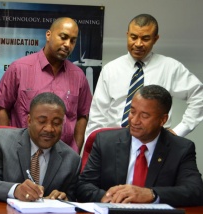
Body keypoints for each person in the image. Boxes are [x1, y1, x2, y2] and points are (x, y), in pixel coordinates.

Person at [76, 85, 203, 207]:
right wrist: (109, 197)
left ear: (163, 120)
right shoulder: (105, 142)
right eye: (132, 112)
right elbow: (83, 185)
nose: (134, 120)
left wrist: (151, 194)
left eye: (144, 116)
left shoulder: (181, 149)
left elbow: (195, 191)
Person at [84, 13, 203, 144]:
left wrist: (180, 130)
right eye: (133, 37)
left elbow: (199, 96)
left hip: (156, 145)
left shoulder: (170, 68)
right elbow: (97, 115)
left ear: (155, 39)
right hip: (114, 144)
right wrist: (92, 148)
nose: (138, 44)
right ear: (127, 35)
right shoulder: (110, 69)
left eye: (145, 38)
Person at [0, 17, 92, 153]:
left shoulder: (78, 76)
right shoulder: (19, 68)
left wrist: (74, 152)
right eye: (63, 37)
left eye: (73, 41)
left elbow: (82, 115)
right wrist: (7, 149)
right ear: (48, 35)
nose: (67, 44)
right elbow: (2, 107)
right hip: (21, 153)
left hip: (62, 159)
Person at [0, 92, 81, 202]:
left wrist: (63, 199)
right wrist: (15, 190)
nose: (49, 129)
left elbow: (72, 200)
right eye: (42, 121)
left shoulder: (72, 160)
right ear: (29, 120)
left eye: (56, 123)